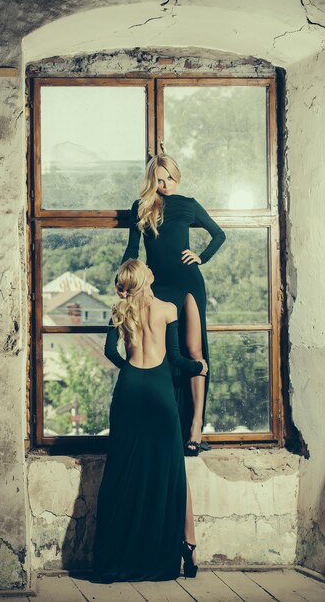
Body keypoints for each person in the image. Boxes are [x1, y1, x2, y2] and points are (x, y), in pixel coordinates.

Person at [91, 259, 208, 583]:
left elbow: (110, 352)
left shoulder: (120, 310)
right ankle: (163, 557)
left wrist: (130, 368)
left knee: (123, 471)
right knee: (166, 470)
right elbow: (175, 359)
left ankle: (118, 559)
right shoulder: (168, 309)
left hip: (129, 391)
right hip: (158, 392)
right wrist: (198, 368)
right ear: (147, 278)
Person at [120, 154, 226, 456]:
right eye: (161, 179)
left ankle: (195, 427)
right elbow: (132, 249)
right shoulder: (141, 208)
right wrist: (125, 283)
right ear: (153, 179)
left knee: (194, 352)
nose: (166, 185)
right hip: (158, 287)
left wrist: (201, 257)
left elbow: (219, 234)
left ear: (178, 177)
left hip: (189, 283)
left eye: (171, 178)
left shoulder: (189, 204)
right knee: (164, 354)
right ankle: (165, 427)